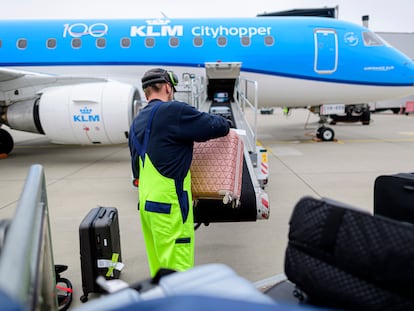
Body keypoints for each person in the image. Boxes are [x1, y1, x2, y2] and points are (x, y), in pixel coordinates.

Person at [129, 68, 230, 277]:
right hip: (169, 208)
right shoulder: (172, 111)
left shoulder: (137, 121)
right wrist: (225, 123)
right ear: (167, 87)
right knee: (179, 275)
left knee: (160, 271)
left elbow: (136, 170)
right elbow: (213, 126)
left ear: (146, 92)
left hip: (147, 206)